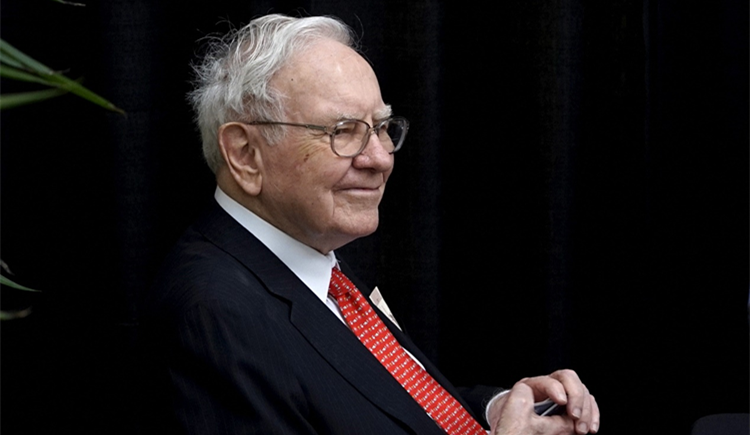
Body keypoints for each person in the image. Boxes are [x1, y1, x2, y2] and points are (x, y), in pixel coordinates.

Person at [145, 13, 600, 435]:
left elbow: (379, 408)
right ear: (246, 154)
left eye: (380, 127)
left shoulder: (312, 258)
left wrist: (494, 410)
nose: (380, 158)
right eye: (343, 131)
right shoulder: (214, 318)